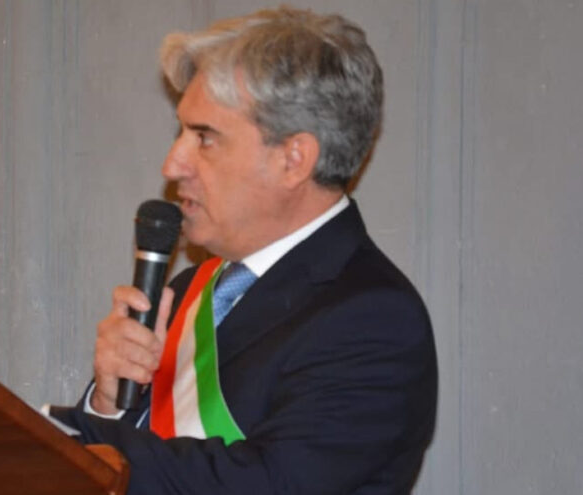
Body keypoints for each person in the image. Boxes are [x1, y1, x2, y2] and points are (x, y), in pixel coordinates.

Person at [53, 7, 437, 494]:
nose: (172, 164)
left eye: (204, 138)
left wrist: (75, 438)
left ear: (294, 159)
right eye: (180, 133)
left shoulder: (373, 318)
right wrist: (108, 406)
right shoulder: (186, 292)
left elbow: (266, 483)